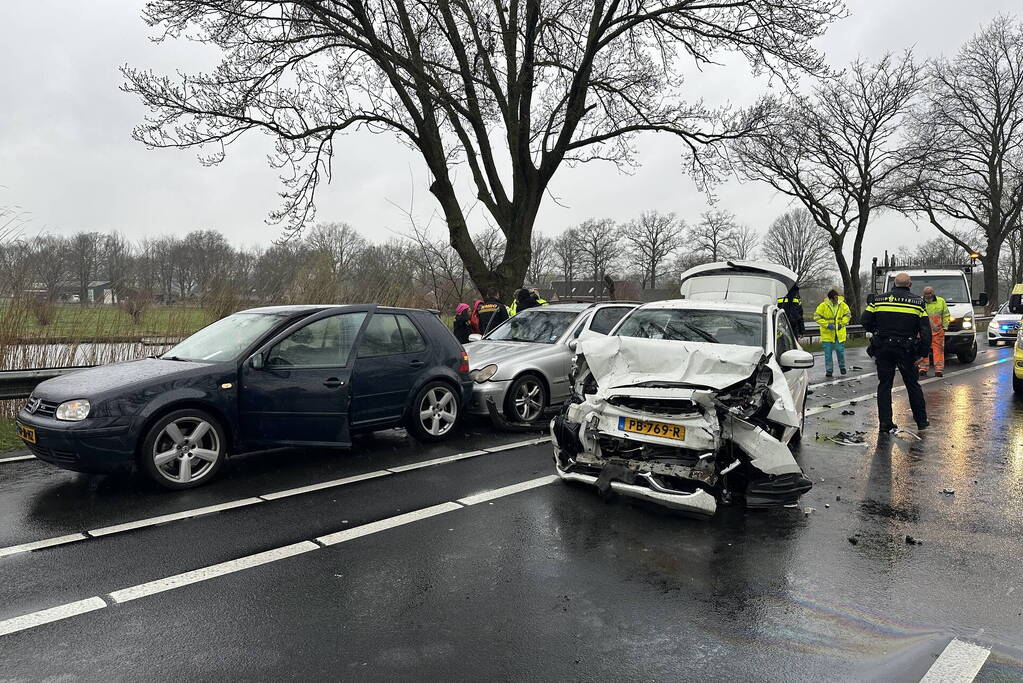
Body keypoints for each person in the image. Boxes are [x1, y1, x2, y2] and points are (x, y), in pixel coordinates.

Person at [861, 272, 931, 432]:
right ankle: (921, 421)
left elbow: (864, 320)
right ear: (910, 285)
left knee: (885, 384)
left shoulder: (878, 300)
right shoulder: (917, 302)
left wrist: (877, 331)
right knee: (912, 385)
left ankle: (885, 422)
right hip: (906, 350)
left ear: (894, 283)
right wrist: (922, 353)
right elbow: (926, 330)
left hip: (883, 348)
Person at [814, 288, 852, 377]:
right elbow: (816, 317)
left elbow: (848, 315)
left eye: (837, 298)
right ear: (830, 299)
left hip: (839, 333)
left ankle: (842, 367)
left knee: (840, 351)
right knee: (828, 354)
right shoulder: (823, 306)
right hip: (827, 334)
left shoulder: (843, 305)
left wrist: (842, 324)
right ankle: (829, 371)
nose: (836, 300)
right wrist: (827, 325)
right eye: (835, 299)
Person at [918, 286, 951, 378]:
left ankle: (938, 370)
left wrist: (945, 327)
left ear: (933, 293)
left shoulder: (941, 301)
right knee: (923, 350)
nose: (928, 295)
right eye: (926, 294)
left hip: (937, 331)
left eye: (929, 293)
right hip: (924, 332)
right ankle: (923, 368)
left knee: (938, 351)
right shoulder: (920, 302)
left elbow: (946, 315)